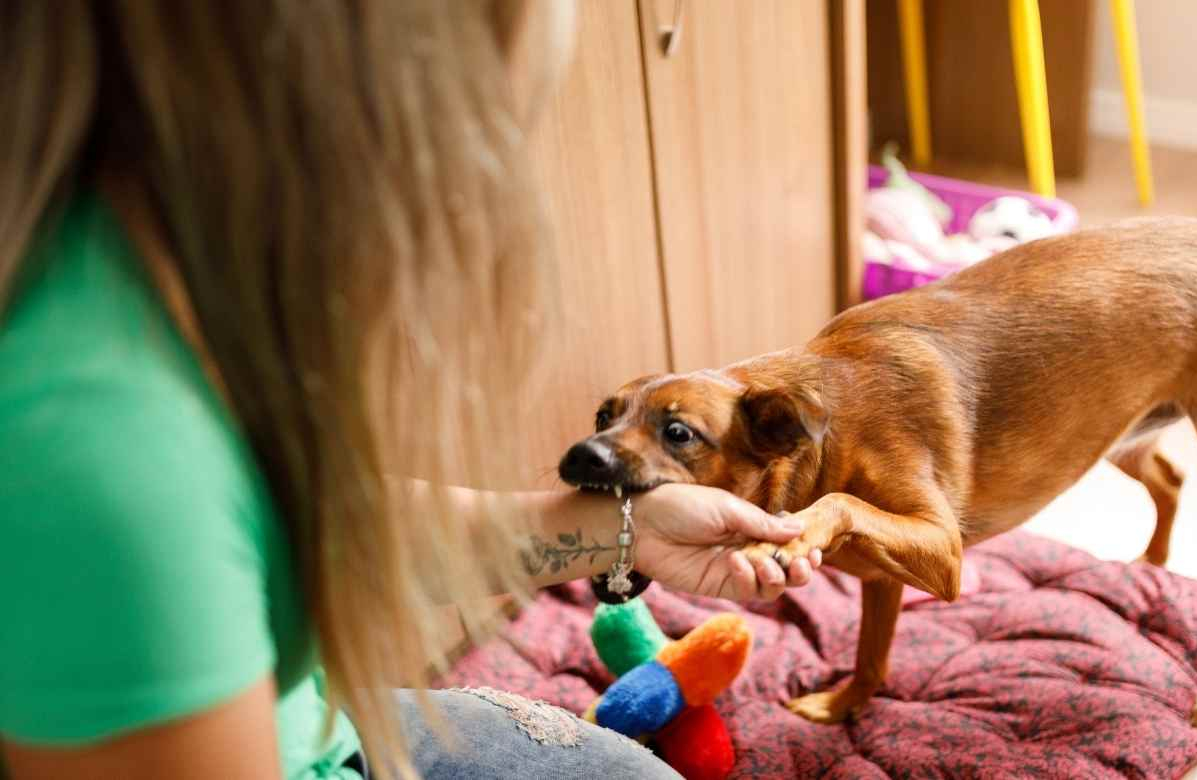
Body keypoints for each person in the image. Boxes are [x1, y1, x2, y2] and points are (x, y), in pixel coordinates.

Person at [0, 3, 821, 778]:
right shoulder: (102, 455)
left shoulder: (149, 277)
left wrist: (623, 532)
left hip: (315, 721)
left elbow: (274, 538)